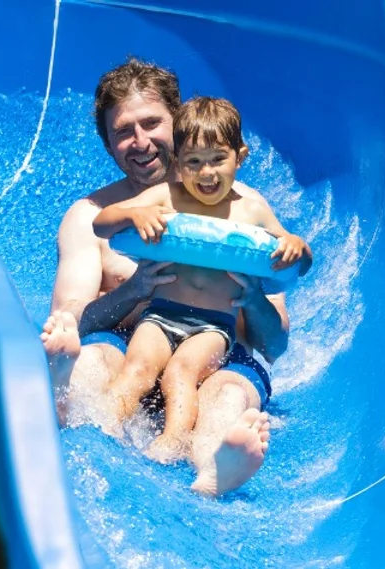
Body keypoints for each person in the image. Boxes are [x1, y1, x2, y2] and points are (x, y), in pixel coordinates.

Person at [40, 57, 293, 496]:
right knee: (89, 361)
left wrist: (251, 297)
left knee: (229, 394)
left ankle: (217, 466)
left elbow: (275, 344)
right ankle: (71, 406)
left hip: (214, 357)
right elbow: (72, 320)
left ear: (179, 124)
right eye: (122, 131)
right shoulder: (90, 219)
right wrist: (135, 290)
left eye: (152, 124)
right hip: (131, 347)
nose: (139, 142)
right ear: (108, 144)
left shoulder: (239, 213)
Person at [91, 96, 312, 464]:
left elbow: (299, 263)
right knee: (138, 366)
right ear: (176, 162)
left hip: (213, 327)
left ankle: (173, 441)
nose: (206, 173)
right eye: (193, 162)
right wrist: (135, 214)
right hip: (161, 314)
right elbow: (102, 223)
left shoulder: (251, 209)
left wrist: (295, 244)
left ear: (239, 157)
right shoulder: (165, 196)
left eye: (217, 160)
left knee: (181, 372)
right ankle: (104, 423)